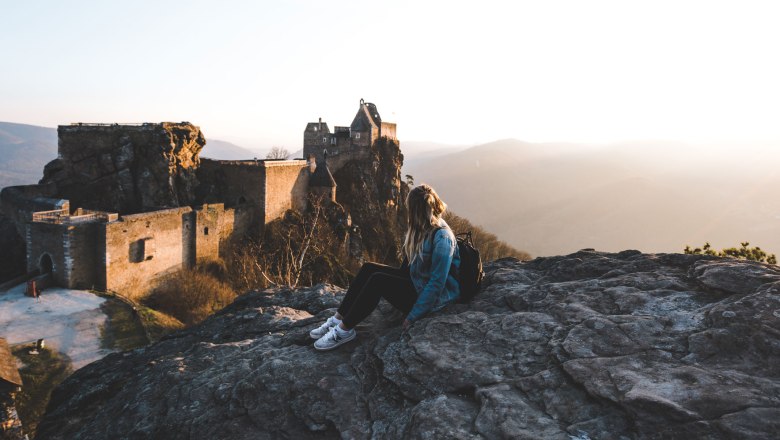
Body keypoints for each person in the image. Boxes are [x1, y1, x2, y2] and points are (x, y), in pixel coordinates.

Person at [311, 184, 461, 351]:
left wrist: (413, 316)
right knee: (369, 268)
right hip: (418, 283)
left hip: (433, 300)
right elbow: (408, 268)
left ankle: (344, 331)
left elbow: (437, 283)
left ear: (416, 210)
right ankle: (338, 318)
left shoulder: (443, 238)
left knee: (378, 281)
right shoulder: (424, 227)